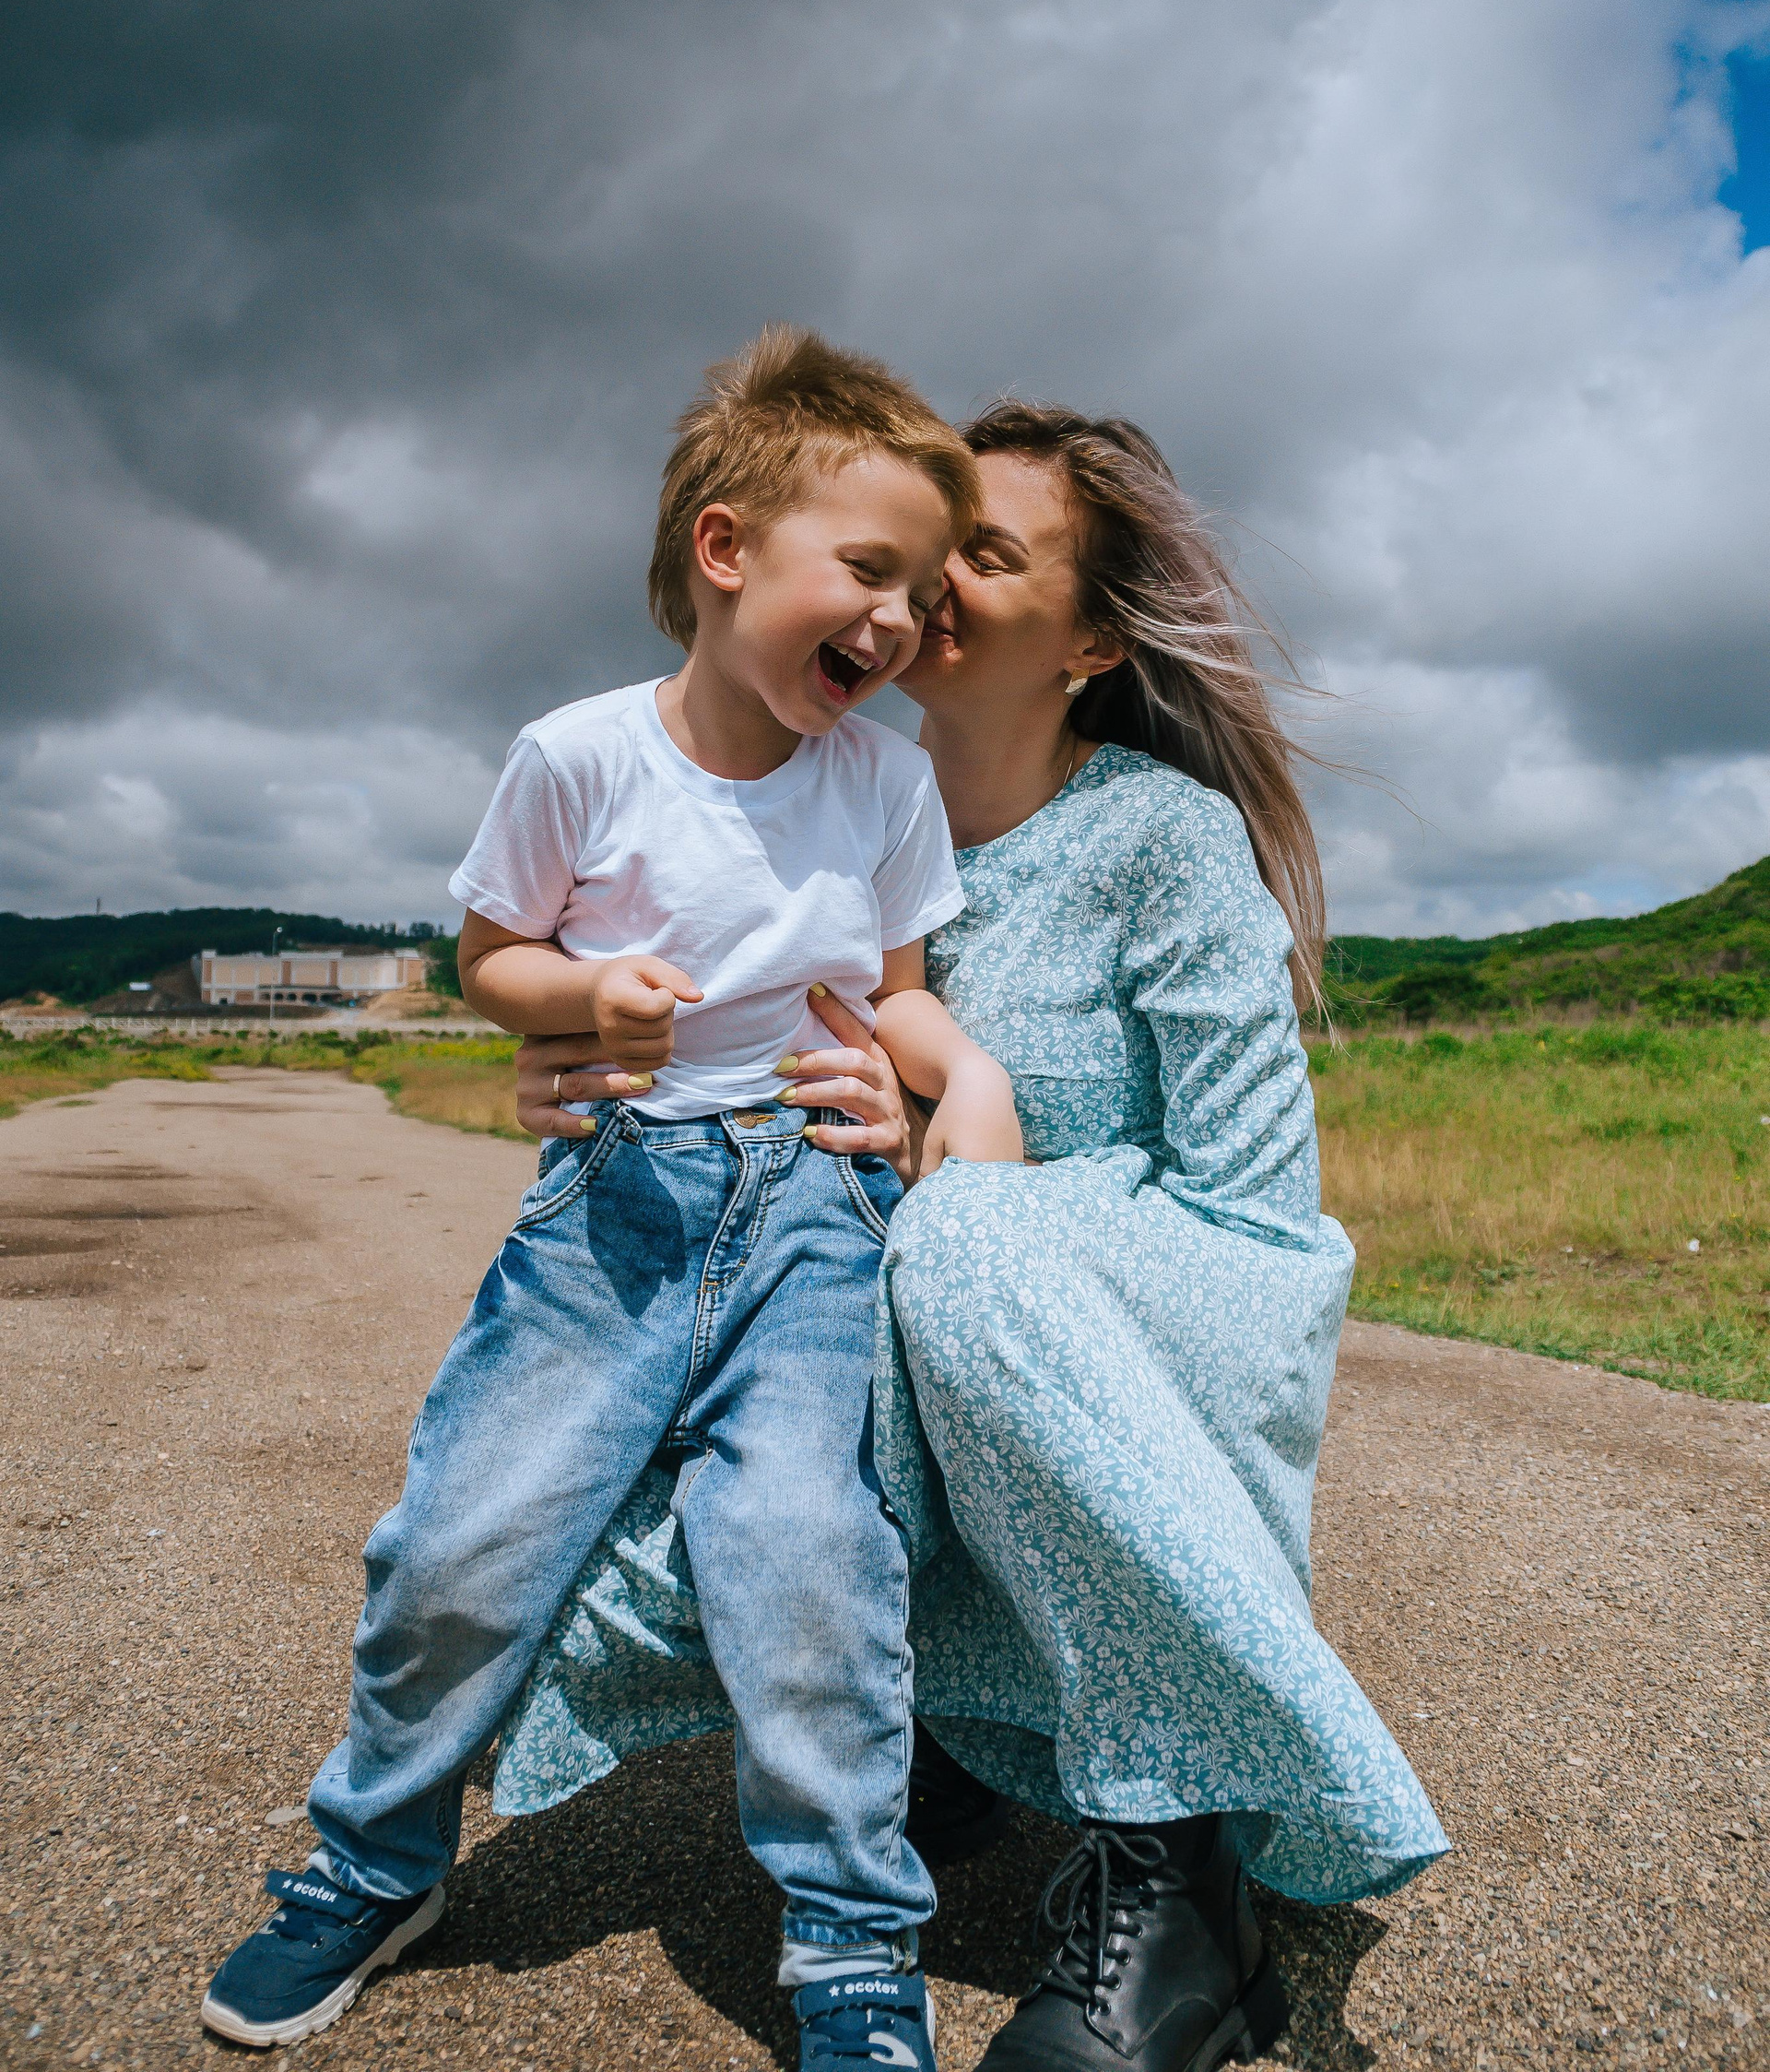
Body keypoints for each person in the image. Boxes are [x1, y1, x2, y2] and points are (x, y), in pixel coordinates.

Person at [503, 402, 1448, 2072]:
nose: (929, 588)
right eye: (926, 551)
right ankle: (939, 1711)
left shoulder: (1161, 836)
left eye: (988, 558)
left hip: (1167, 1298)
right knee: (571, 1449)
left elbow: (1255, 1210)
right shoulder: (823, 808)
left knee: (959, 1252)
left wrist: (980, 1173)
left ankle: (1187, 1860)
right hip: (891, 1306)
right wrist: (588, 1066)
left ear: (1091, 642)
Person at [200, 328, 1025, 2067]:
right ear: (727, 550)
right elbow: (490, 956)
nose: (896, 621)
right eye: (867, 570)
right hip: (614, 1210)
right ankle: (374, 1863)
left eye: (922, 590)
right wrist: (579, 996)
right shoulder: (577, 755)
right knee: (462, 1540)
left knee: (810, 1557)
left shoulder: (887, 780)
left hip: (814, 1210)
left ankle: (851, 1936)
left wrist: (965, 1076)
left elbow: (896, 992)